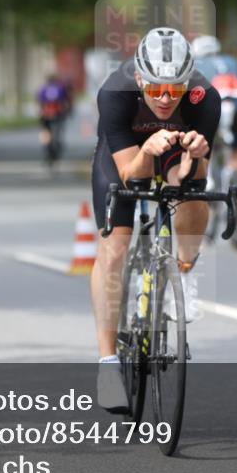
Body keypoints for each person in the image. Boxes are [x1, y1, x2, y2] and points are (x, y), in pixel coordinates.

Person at [91, 27, 220, 413]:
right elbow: (131, 176)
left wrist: (195, 158)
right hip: (127, 155)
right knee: (115, 247)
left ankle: (183, 271)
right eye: (157, 89)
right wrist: (146, 149)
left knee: (193, 196)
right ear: (140, 79)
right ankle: (107, 364)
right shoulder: (114, 94)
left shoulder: (204, 99)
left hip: (174, 151)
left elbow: (187, 181)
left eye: (175, 89)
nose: (166, 99)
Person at [191, 35, 237, 210]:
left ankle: (208, 177)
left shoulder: (197, 65)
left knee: (202, 143)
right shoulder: (231, 61)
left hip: (215, 108)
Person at [36, 74, 73, 163]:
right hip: (58, 113)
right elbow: (67, 101)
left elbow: (39, 102)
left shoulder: (43, 89)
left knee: (46, 132)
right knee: (58, 130)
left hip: (45, 114)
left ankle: (47, 147)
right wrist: (68, 110)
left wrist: (40, 112)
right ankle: (56, 144)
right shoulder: (61, 88)